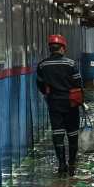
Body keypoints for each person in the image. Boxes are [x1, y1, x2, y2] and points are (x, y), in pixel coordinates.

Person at [37, 34, 84, 175]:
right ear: (63, 48)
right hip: (71, 103)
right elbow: (78, 83)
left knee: (57, 134)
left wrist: (49, 93)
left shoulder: (42, 65)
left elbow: (40, 84)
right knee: (72, 134)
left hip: (54, 103)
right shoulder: (71, 64)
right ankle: (72, 164)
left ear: (50, 48)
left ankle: (62, 165)